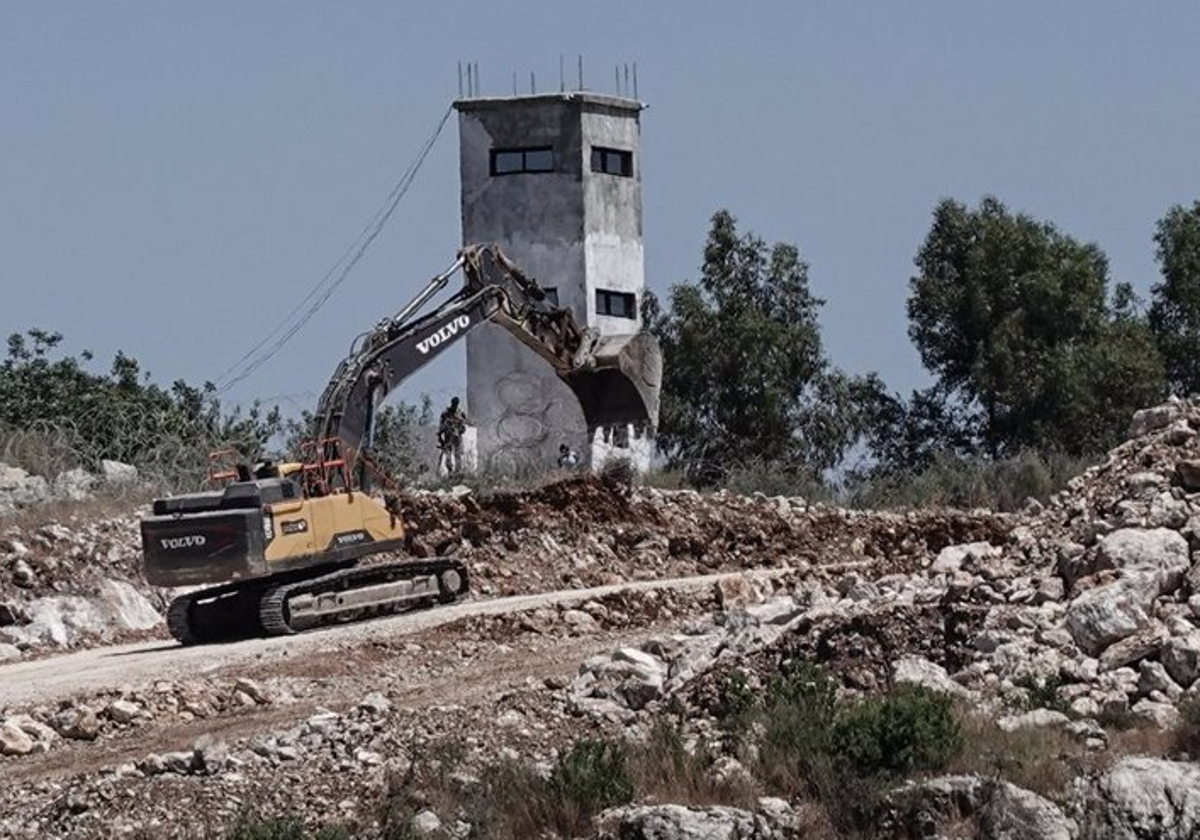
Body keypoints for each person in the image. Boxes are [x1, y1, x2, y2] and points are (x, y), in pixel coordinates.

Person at [437, 397, 468, 474]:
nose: (455, 405)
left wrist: (459, 430)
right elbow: (441, 428)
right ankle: (450, 472)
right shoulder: (445, 413)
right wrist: (441, 439)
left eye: (456, 403)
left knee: (458, 455)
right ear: (452, 403)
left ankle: (458, 472)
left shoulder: (461, 413)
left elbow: (464, 428)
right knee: (448, 456)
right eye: (454, 403)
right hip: (448, 437)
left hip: (457, 438)